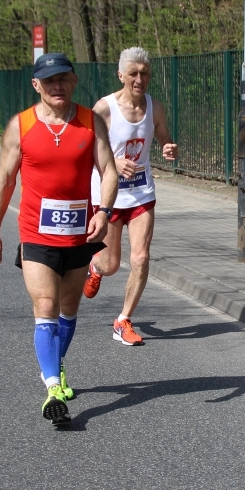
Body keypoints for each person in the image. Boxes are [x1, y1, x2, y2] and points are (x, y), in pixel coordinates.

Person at [0, 53, 119, 425]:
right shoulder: (21, 125)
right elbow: (4, 181)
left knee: (68, 309)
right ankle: (53, 389)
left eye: (62, 78)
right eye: (48, 80)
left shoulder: (91, 122)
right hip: (36, 233)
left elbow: (109, 171)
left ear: (74, 81)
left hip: (79, 234)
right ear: (36, 85)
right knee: (45, 303)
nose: (56, 86)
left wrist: (104, 212)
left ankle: (55, 365)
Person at [81, 47, 178, 346]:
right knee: (111, 265)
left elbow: (163, 135)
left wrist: (168, 146)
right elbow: (84, 147)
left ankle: (123, 320)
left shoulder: (154, 107)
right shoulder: (104, 108)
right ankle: (95, 267)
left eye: (144, 73)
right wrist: (113, 161)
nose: (139, 79)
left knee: (141, 258)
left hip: (141, 194)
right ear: (121, 75)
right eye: (133, 73)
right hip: (109, 198)